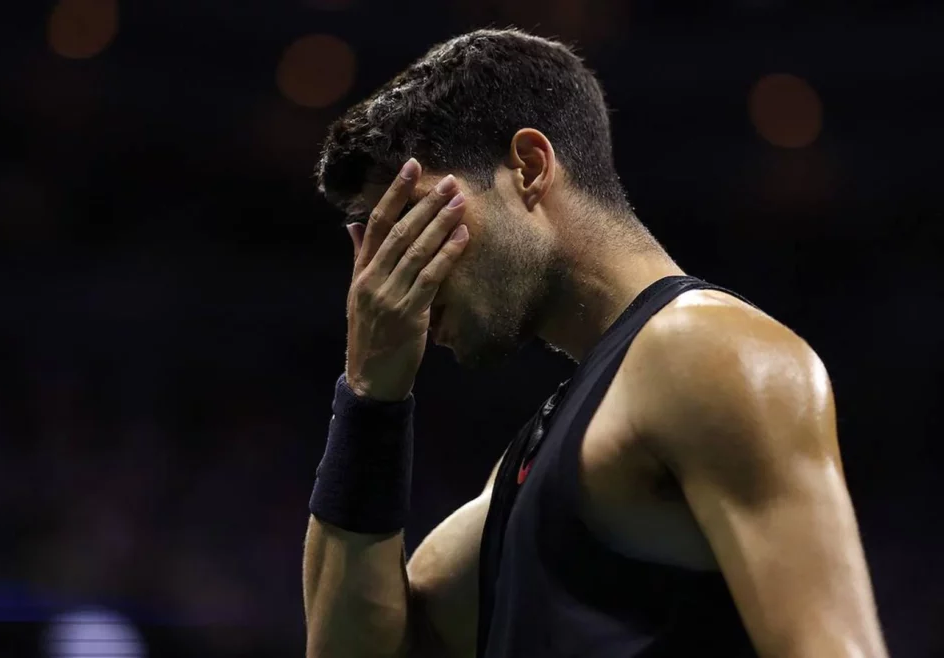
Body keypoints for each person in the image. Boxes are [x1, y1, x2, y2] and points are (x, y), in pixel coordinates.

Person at [303, 28, 888, 658]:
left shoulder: (710, 351)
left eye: (413, 223)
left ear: (529, 168)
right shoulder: (537, 457)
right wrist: (370, 398)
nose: (391, 278)